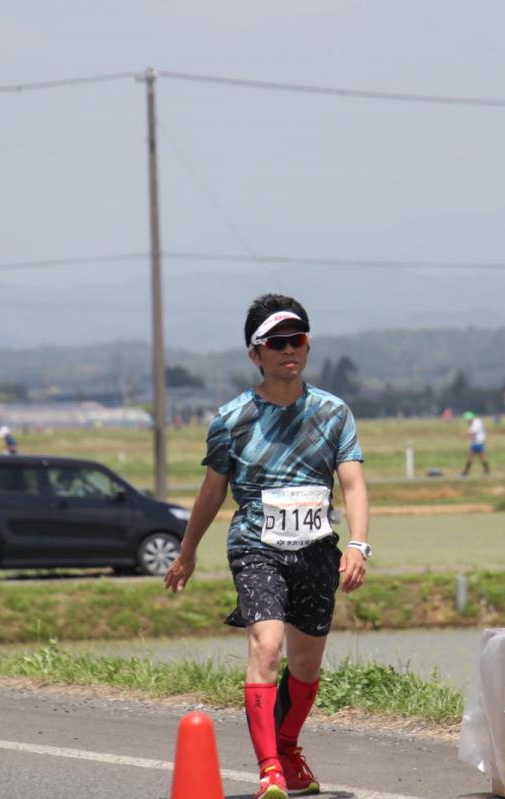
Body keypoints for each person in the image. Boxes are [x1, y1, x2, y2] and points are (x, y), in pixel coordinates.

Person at [163, 294, 370, 799]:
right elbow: (213, 490)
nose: (287, 350)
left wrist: (359, 545)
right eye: (275, 343)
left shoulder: (332, 412)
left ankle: (288, 745)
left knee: (306, 664)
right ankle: (269, 769)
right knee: (267, 645)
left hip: (316, 548)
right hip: (257, 545)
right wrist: (188, 550)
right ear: (255, 354)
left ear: (307, 345)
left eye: (296, 339)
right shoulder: (233, 419)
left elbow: (354, 485)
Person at [460, 411, 490, 476]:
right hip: (477, 442)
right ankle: (486, 470)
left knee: (472, 456)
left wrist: (464, 435)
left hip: (478, 442)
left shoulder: (476, 423)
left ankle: (466, 472)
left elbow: (473, 432)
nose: (466, 421)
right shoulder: (476, 422)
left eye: (467, 420)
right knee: (480, 457)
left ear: (470, 418)